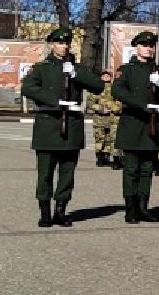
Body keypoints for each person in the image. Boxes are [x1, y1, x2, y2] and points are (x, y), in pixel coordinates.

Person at [20, 27, 105, 228]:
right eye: (59, 43)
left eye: (66, 43)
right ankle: (45, 213)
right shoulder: (42, 68)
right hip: (48, 126)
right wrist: (55, 101)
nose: (64, 46)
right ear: (51, 45)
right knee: (45, 173)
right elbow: (28, 88)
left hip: (71, 128)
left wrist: (76, 74)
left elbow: (98, 86)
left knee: (67, 173)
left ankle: (60, 211)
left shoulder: (77, 68)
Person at [111, 31, 159, 223]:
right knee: (131, 168)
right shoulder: (127, 70)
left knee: (147, 168)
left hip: (153, 125)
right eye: (144, 45)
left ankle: (143, 207)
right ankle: (130, 209)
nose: (148, 48)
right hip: (133, 123)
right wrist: (142, 104)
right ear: (136, 47)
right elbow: (117, 90)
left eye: (151, 45)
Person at [92, 69, 119, 167]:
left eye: (108, 76)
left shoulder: (114, 88)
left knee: (110, 139)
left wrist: (113, 108)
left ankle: (107, 158)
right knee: (100, 139)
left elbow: (118, 101)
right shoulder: (95, 88)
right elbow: (90, 104)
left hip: (112, 118)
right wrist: (101, 109)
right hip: (99, 119)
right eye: (104, 76)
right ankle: (100, 158)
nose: (106, 77)